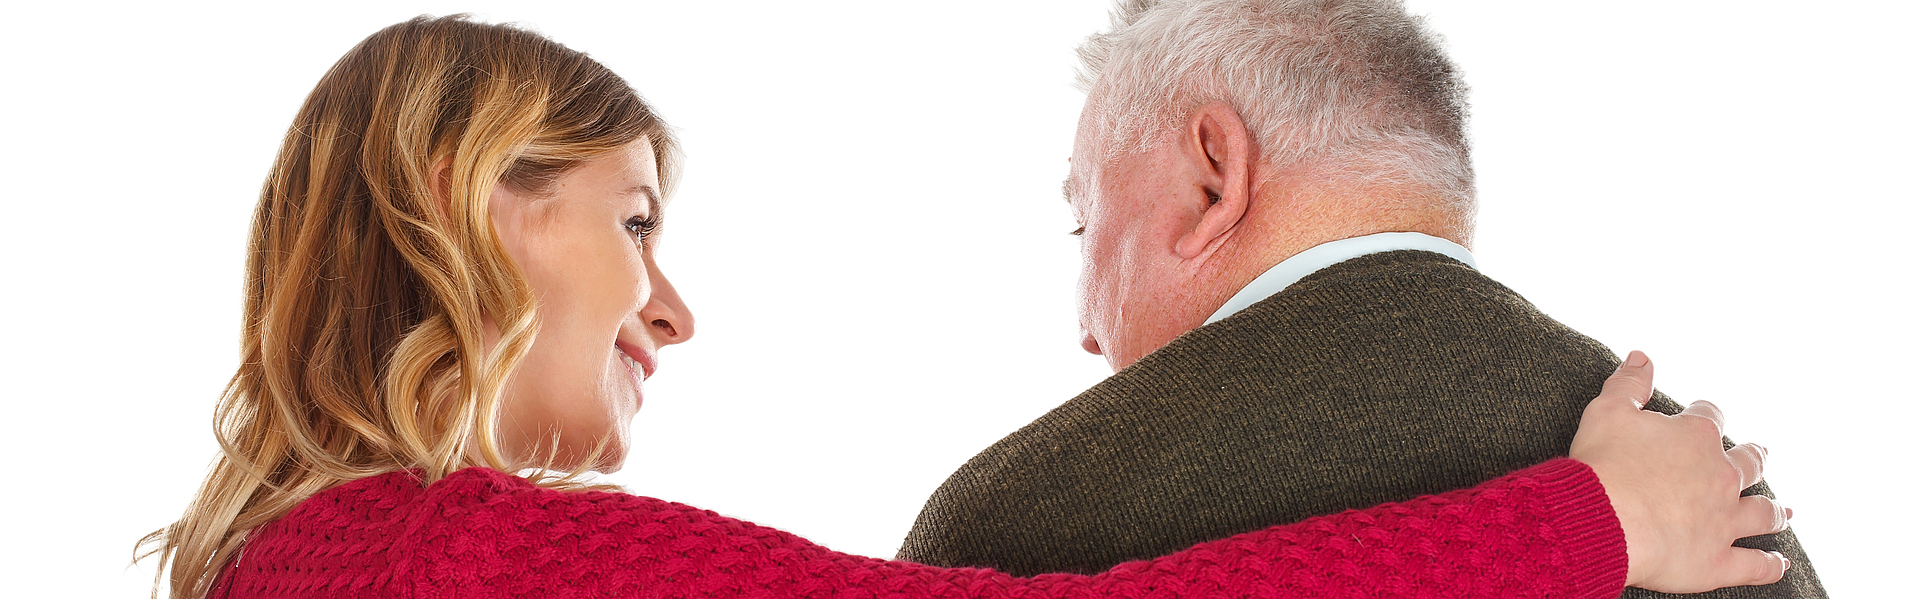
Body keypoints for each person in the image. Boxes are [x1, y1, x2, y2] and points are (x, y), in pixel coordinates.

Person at [138, 14, 1787, 599]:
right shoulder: (461, 551)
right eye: (636, 219)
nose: (675, 303)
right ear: (464, 205)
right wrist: (1585, 514)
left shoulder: (287, 553)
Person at [896, 1, 1826, 597]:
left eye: (1084, 225)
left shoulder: (1013, 527)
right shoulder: (1723, 502)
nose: (1086, 334)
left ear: (1214, 182)